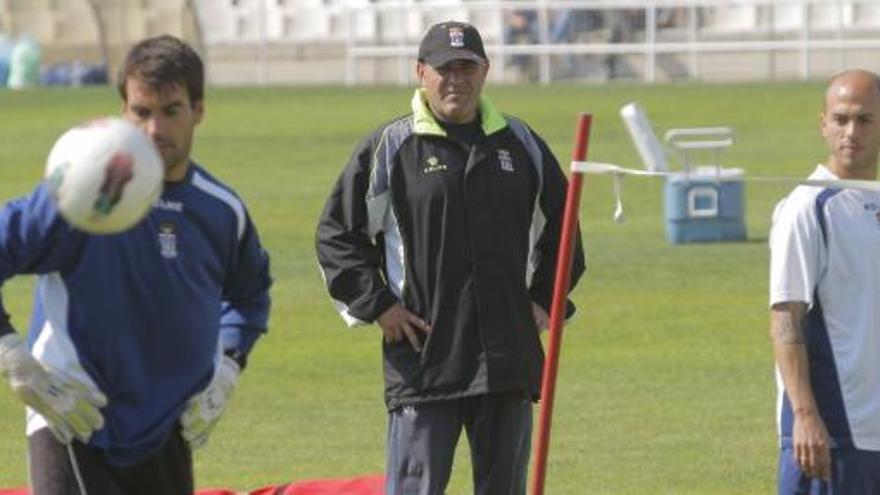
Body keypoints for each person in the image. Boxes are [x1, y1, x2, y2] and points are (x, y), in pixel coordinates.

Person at [315, 21, 585, 495]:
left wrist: (544, 300)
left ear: (485, 71)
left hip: (506, 363)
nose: (456, 79)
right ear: (421, 72)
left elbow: (566, 235)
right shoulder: (391, 147)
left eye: (467, 67)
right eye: (444, 69)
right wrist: (378, 304)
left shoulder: (519, 144)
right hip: (425, 364)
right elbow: (337, 234)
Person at [0, 35, 272, 494]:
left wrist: (228, 365)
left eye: (171, 111)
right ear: (123, 111)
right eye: (141, 112)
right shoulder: (78, 195)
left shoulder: (221, 211)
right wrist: (12, 355)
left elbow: (249, 295)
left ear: (198, 110)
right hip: (74, 417)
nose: (154, 130)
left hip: (166, 427)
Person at [769, 69, 880, 494]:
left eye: (865, 120)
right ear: (823, 124)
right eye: (841, 119)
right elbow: (786, 318)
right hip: (832, 433)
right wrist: (805, 416)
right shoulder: (807, 207)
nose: (851, 132)